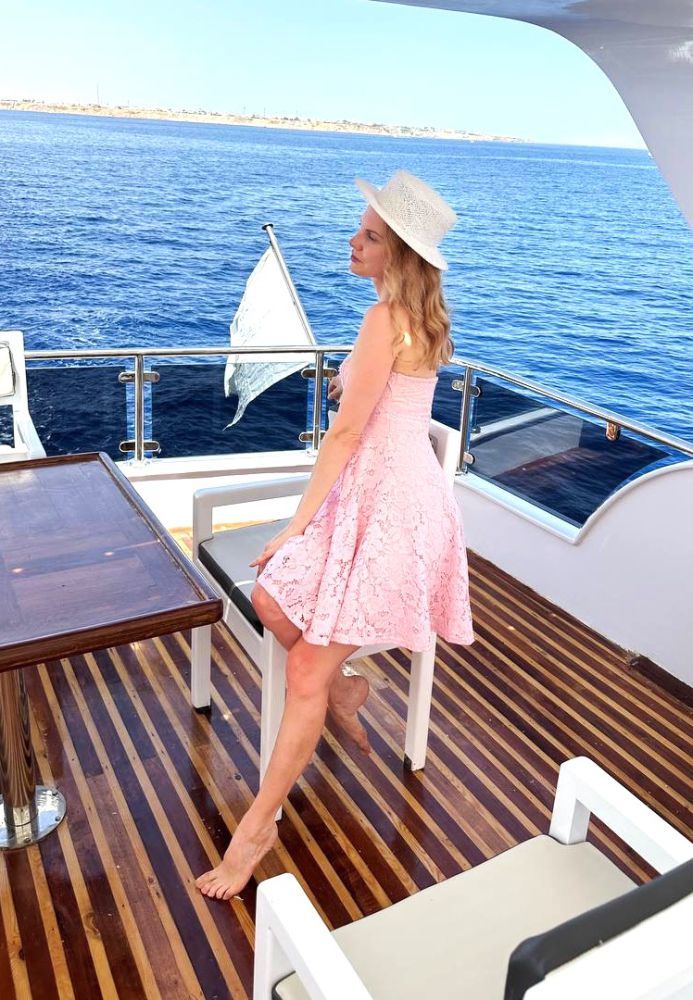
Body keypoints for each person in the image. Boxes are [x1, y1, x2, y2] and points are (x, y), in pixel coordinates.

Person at [195, 169, 475, 901]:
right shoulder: (413, 319)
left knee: (302, 673)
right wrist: (349, 385)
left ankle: (256, 830)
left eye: (370, 236)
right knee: (271, 597)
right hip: (387, 501)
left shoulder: (384, 320)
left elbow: (347, 436)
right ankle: (348, 690)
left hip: (390, 514)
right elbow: (384, 407)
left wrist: (297, 524)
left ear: (399, 256)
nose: (354, 242)